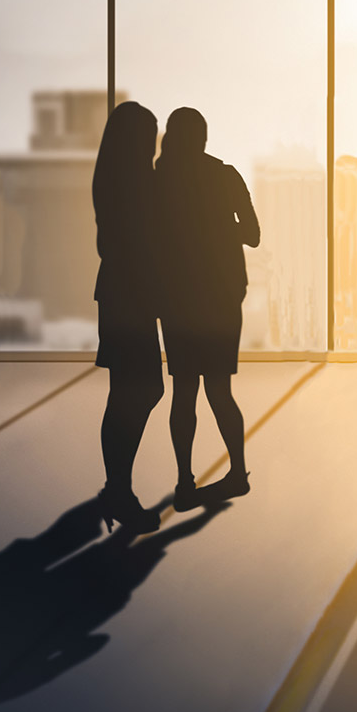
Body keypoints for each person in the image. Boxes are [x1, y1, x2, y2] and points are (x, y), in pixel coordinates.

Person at [153, 107, 258, 508]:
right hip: (222, 300)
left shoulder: (159, 182)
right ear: (204, 137)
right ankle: (237, 471)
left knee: (184, 392)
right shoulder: (226, 176)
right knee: (220, 390)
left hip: (178, 301)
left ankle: (184, 481)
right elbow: (253, 235)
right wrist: (219, 230)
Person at [91, 100, 164, 530]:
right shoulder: (135, 183)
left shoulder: (117, 178)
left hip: (122, 294)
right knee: (139, 390)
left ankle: (116, 486)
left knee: (128, 392)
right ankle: (118, 489)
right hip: (129, 296)